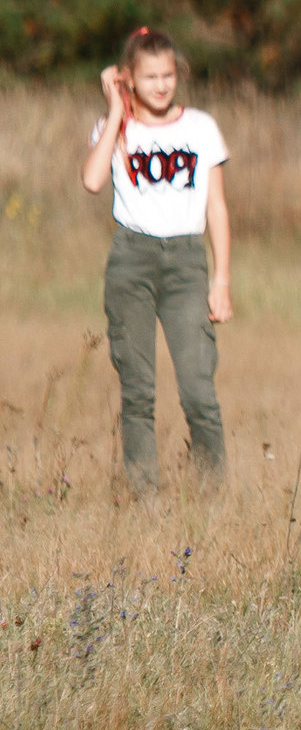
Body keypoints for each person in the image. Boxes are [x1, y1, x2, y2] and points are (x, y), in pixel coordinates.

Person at [79, 27, 232, 494]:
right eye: (150, 77)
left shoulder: (200, 127)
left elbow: (217, 207)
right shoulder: (117, 128)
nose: (162, 85)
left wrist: (221, 280)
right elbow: (91, 181)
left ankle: (211, 497)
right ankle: (144, 497)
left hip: (186, 262)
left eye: (168, 75)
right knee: (138, 391)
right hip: (132, 261)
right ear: (129, 78)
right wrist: (115, 109)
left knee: (198, 389)